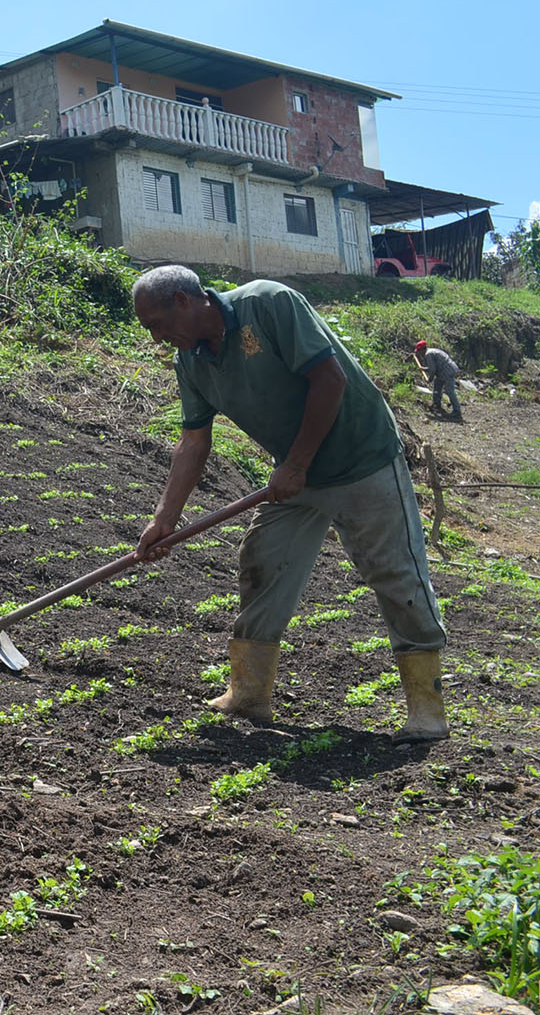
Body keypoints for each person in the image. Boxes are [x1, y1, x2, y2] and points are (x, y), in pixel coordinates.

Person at [131, 266, 448, 744]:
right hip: (295, 475)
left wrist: (296, 464)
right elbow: (194, 442)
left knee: (395, 574)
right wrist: (164, 521)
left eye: (157, 324)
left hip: (361, 459)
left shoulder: (269, 304)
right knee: (263, 562)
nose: (157, 338)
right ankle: (249, 691)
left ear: (183, 300)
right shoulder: (192, 362)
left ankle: (427, 708)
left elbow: (330, 379)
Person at [414, 340, 463, 421]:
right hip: (443, 372)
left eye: (419, 351)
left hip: (447, 372)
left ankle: (457, 412)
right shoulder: (432, 351)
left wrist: (429, 379)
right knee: (437, 386)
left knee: (449, 391)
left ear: (423, 350)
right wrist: (424, 369)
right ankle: (436, 405)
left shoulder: (428, 354)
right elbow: (433, 368)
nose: (419, 354)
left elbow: (433, 370)